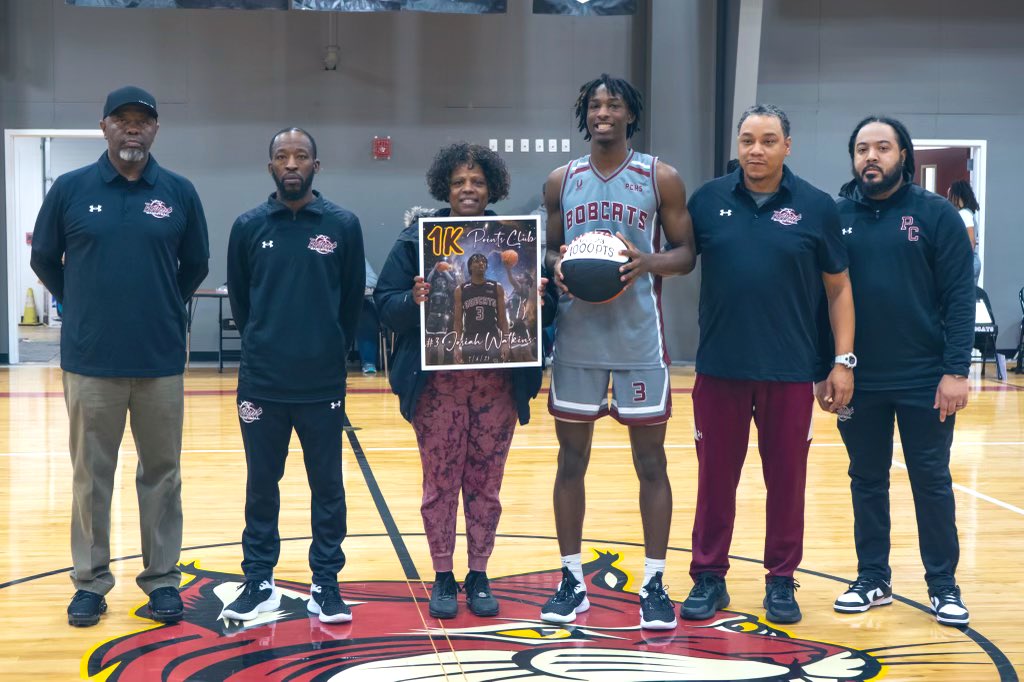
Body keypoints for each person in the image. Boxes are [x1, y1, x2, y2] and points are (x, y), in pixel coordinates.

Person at [30, 85, 210, 627]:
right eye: (122, 119)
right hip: (90, 360)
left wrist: (161, 306)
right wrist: (82, 303)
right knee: (92, 477)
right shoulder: (70, 188)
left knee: (162, 474)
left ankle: (162, 580)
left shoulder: (179, 192)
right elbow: (44, 258)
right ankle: (90, 582)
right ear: (104, 126)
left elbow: (196, 265)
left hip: (159, 360)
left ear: (155, 129)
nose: (133, 128)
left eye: (143, 120)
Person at [681, 104, 854, 625]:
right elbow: (676, 259)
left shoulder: (816, 206)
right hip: (720, 369)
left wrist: (842, 361)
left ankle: (781, 579)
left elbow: (839, 288)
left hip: (790, 371)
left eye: (768, 140)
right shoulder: (707, 200)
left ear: (787, 146)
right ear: (737, 144)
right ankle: (708, 576)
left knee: (787, 483)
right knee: (714, 481)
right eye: (748, 140)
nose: (756, 150)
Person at [541, 74, 696, 631]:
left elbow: (686, 254)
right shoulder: (562, 180)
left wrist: (646, 262)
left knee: (651, 463)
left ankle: (654, 583)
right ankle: (571, 581)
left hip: (638, 342)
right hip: (577, 340)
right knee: (570, 462)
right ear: (584, 115)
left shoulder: (660, 177)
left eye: (613, 104)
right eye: (594, 105)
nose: (603, 112)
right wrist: (558, 265)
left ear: (631, 113)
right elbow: (548, 250)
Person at [375, 143, 548, 619]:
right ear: (444, 189)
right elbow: (384, 306)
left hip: (497, 385)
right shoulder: (416, 241)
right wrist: (411, 300)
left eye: (477, 182)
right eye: (458, 182)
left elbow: (537, 316)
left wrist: (538, 296)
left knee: (486, 484)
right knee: (440, 483)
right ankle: (443, 575)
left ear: (492, 188)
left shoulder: (514, 240)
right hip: (437, 388)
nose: (468, 189)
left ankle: (479, 572)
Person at [833, 116, 974, 626]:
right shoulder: (836, 216)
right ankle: (873, 577)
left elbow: (959, 296)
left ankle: (943, 585)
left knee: (931, 481)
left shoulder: (937, 215)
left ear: (904, 156)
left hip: (925, 379)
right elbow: (821, 297)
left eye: (882, 147)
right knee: (866, 479)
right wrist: (829, 366)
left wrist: (956, 370)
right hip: (858, 378)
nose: (871, 157)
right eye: (862, 149)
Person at [222, 128, 365, 624]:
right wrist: (267, 343)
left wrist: (328, 348)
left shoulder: (343, 225)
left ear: (315, 167)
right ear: (270, 168)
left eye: (301, 156)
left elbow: (351, 302)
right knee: (262, 485)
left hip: (321, 383)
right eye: (281, 156)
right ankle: (259, 580)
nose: (291, 164)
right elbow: (242, 302)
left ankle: (325, 582)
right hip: (262, 382)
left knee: (327, 487)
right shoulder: (248, 226)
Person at [454, 253, 510, 364]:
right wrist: (457, 345)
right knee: (471, 373)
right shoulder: (461, 290)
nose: (481, 263)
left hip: (492, 337)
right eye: (477, 261)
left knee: (494, 373)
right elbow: (458, 322)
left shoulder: (496, 287)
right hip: (470, 339)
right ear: (470, 267)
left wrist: (505, 341)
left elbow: (503, 319)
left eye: (484, 261)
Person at [947, 179, 982, 286]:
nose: (948, 199)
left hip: (967, 262)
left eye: (950, 195)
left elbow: (971, 241)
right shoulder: (968, 213)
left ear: (957, 196)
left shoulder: (964, 214)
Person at [358, 259, 380, 374]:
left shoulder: (358, 257)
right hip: (330, 303)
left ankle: (369, 362)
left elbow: (373, 280)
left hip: (357, 301)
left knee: (366, 311)